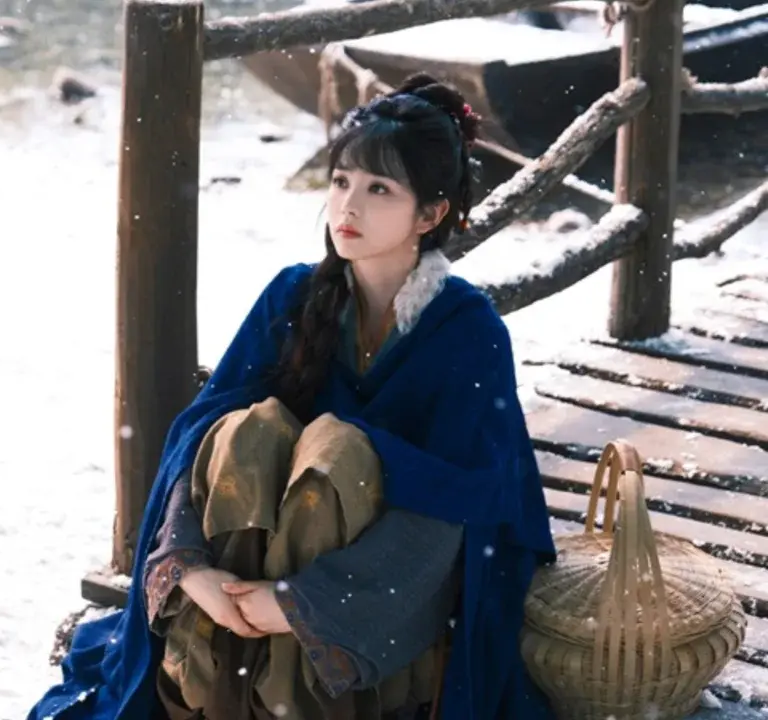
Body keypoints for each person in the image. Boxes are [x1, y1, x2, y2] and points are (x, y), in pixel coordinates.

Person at [27, 74, 558, 720]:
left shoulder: (468, 330)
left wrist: (307, 603)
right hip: (250, 576)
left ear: (431, 214)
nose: (348, 207)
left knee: (338, 452)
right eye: (341, 182)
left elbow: (463, 504)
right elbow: (199, 436)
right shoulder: (294, 296)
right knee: (246, 431)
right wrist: (191, 568)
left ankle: (300, 696)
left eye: (379, 189)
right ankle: (224, 683)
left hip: (390, 591)